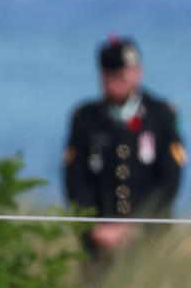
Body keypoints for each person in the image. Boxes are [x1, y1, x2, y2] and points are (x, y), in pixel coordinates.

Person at [63, 35, 185, 262]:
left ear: (139, 72)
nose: (117, 81)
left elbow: (169, 181)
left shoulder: (161, 116)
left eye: (122, 74)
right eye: (110, 75)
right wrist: (95, 228)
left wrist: (138, 225)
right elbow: (75, 180)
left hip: (150, 236)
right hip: (99, 240)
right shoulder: (85, 118)